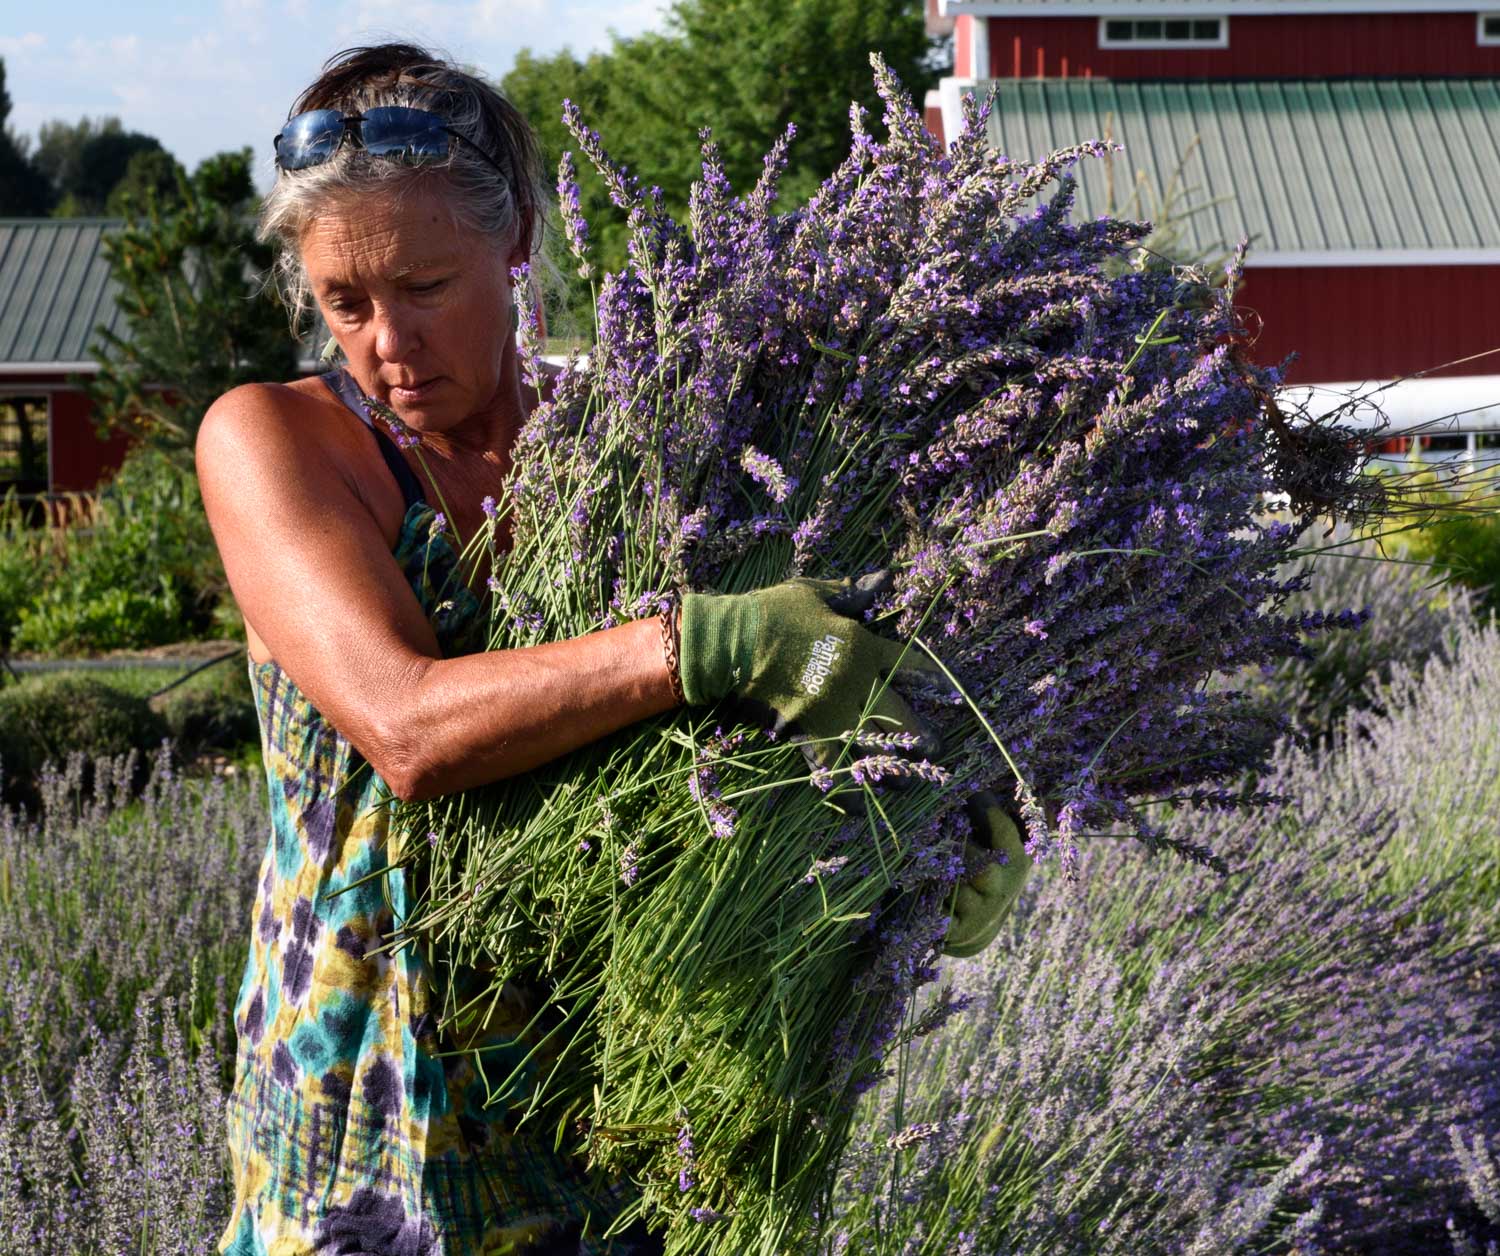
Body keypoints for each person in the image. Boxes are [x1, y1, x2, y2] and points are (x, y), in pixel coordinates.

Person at [199, 43, 1033, 1256]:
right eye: (346, 301)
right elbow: (408, 726)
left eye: (425, 284)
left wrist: (914, 849)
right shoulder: (278, 439)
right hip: (366, 1095)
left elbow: (739, 752)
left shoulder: (631, 450)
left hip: (610, 1097)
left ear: (517, 239)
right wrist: (708, 639)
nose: (387, 340)